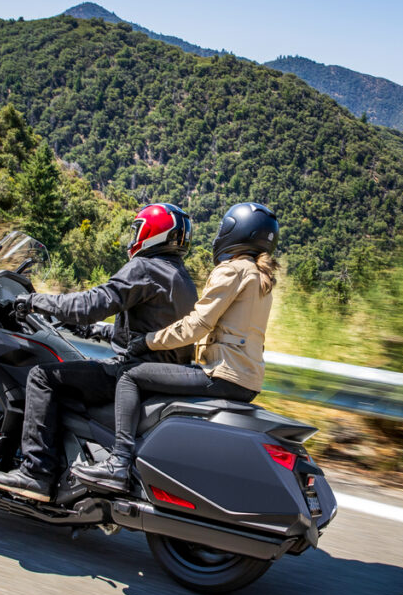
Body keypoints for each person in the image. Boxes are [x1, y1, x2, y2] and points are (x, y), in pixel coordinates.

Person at [0, 203, 198, 502]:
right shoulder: (182, 278)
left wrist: (35, 302)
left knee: (42, 377)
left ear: (152, 233)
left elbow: (91, 305)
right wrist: (94, 331)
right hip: (158, 374)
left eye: (137, 229)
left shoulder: (145, 267)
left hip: (130, 373)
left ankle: (36, 473)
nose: (133, 237)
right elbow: (149, 332)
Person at [72, 202, 279, 491]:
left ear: (236, 231)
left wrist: (147, 341)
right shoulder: (262, 277)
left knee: (131, 375)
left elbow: (196, 326)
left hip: (222, 374)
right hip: (248, 378)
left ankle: (118, 463)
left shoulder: (232, 271)